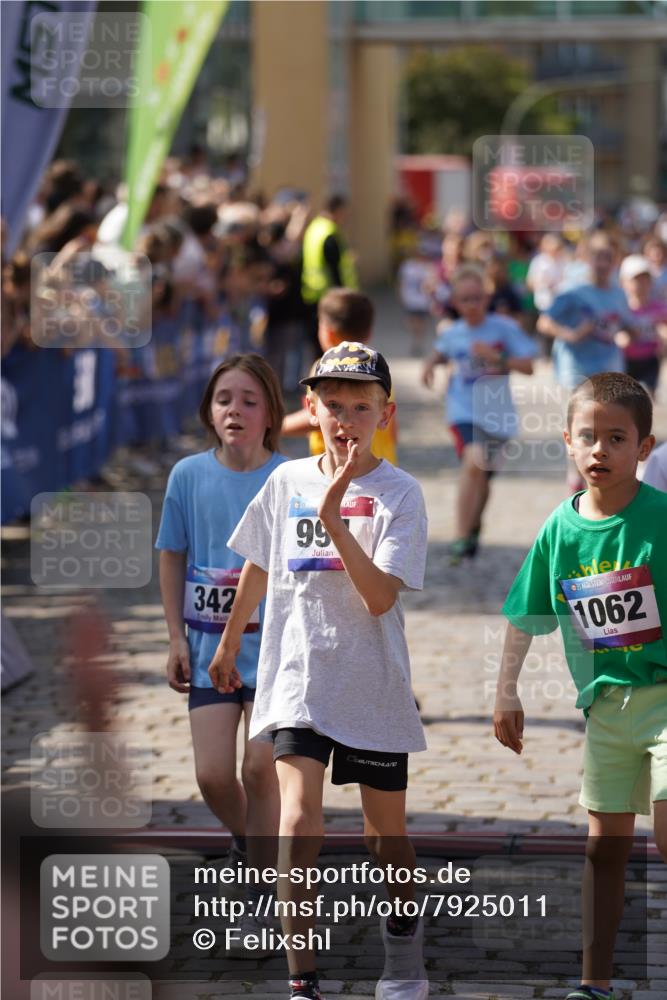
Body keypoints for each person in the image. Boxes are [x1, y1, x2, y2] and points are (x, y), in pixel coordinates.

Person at [209, 342, 429, 1000]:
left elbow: (379, 597)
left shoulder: (399, 493)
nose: (344, 420)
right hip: (298, 678)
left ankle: (402, 952)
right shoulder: (286, 481)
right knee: (298, 822)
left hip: (371, 685)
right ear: (310, 408)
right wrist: (227, 643)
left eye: (360, 407)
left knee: (384, 835)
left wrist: (334, 518)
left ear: (384, 413)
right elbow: (258, 560)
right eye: (332, 406)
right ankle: (301, 978)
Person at [493, 372, 667, 1000]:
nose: (600, 450)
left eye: (616, 438)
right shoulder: (558, 530)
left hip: (666, 700)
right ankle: (593, 983)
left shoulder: (662, 518)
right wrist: (506, 690)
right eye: (589, 437)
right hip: (605, 709)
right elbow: (525, 613)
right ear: (567, 441)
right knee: (604, 850)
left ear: (643, 448)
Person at [155, 354, 285, 950]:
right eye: (224, 399)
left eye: (249, 400)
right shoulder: (187, 475)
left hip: (275, 651)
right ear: (209, 411)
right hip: (208, 649)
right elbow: (172, 554)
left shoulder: (288, 479)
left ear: (270, 415)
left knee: (259, 769)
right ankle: (254, 849)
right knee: (212, 774)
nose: (235, 409)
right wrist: (176, 636)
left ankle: (260, 888)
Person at [422, 264, 537, 564]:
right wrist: (428, 366)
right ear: (455, 303)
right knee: (474, 462)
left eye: (476, 298)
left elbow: (528, 367)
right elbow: (440, 351)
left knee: (483, 478)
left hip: (498, 414)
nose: (471, 305)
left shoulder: (504, 328)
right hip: (462, 409)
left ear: (487, 298)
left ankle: (473, 526)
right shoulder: (454, 332)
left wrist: (496, 356)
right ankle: (460, 537)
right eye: (464, 299)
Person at [537, 231, 636, 492]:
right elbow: (544, 322)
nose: (602, 263)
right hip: (576, 369)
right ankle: (575, 477)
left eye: (608, 257)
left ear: (614, 261)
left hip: (610, 368)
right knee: (583, 425)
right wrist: (571, 334)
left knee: (608, 425)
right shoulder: (573, 292)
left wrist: (633, 332)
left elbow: (627, 324)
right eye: (597, 257)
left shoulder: (618, 293)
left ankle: (601, 479)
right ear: (586, 259)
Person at [282, 288, 398, 464]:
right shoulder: (376, 369)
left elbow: (314, 418)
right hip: (380, 465)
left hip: (338, 470)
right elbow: (393, 430)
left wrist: (275, 426)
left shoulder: (323, 368)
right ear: (369, 332)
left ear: (327, 331)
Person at [301, 194, 359, 357]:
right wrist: (344, 297)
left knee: (316, 350)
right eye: (345, 213)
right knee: (330, 351)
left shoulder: (314, 228)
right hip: (328, 297)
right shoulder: (329, 232)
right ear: (338, 210)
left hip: (312, 294)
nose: (346, 217)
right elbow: (334, 268)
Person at [617, 253, 667, 398]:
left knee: (646, 399)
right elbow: (613, 331)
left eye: (645, 279)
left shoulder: (660, 309)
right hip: (625, 362)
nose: (640, 284)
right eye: (635, 280)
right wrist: (620, 338)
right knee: (625, 401)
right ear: (623, 282)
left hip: (650, 361)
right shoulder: (620, 309)